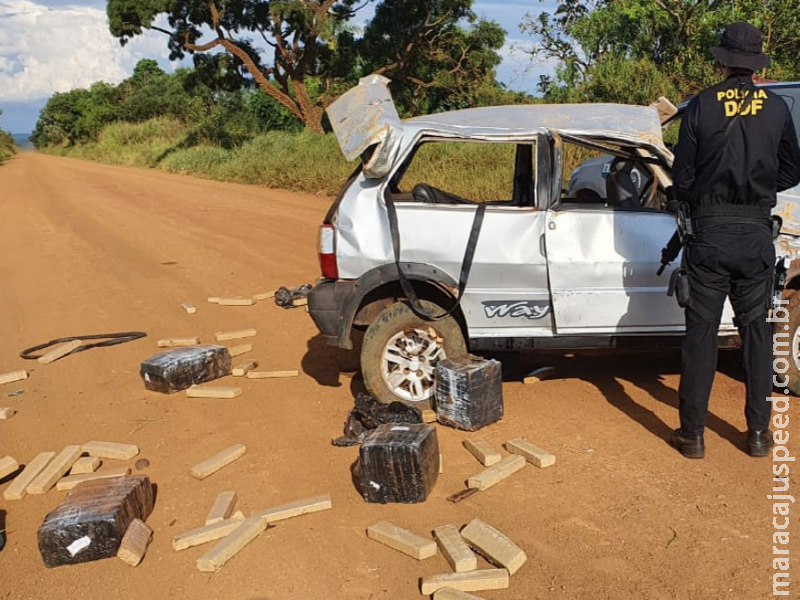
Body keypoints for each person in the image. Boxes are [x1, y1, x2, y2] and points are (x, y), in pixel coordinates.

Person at [670, 21, 800, 459]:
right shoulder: (778, 108)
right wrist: (760, 187)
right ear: (756, 64)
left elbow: (682, 178)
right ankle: (760, 435)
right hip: (755, 234)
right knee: (758, 335)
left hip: (709, 233)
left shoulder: (702, 106)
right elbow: (792, 171)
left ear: (723, 62)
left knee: (701, 336)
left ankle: (693, 437)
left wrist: (706, 192)